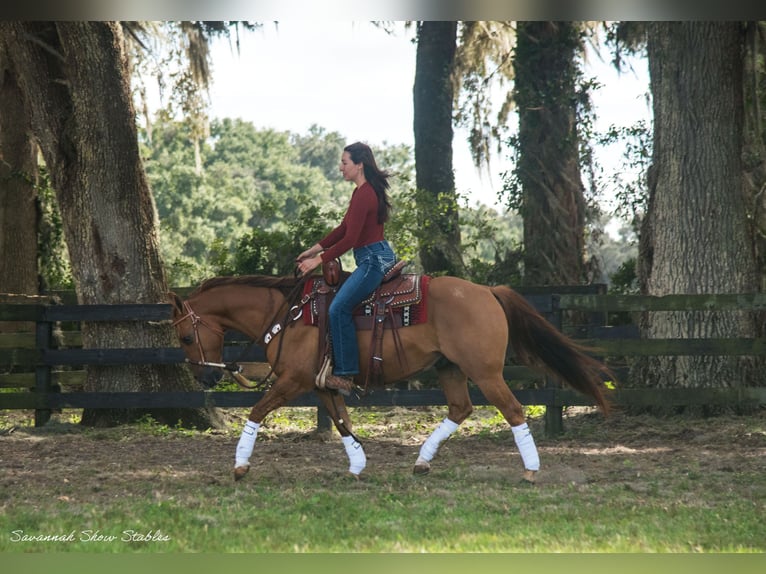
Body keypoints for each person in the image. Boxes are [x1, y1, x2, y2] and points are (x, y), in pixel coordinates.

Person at [296, 142, 396, 394]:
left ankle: (346, 374)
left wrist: (315, 262)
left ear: (359, 164)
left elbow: (350, 240)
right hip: (372, 256)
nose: (340, 167)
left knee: (339, 308)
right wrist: (314, 249)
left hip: (373, 260)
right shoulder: (361, 192)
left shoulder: (365, 194)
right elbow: (343, 230)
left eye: (344, 162)